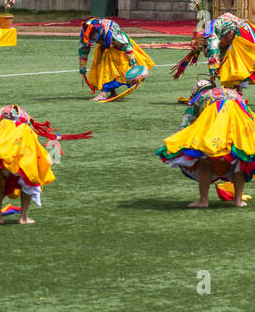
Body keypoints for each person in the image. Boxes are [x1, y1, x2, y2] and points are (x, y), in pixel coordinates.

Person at [158, 78, 255, 209]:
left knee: (205, 156)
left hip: (215, 114)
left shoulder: (198, 99)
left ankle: (203, 200)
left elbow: (185, 126)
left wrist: (179, 143)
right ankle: (237, 200)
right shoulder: (230, 91)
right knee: (238, 157)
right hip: (239, 115)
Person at [171, 12, 255, 89]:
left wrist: (213, 73)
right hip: (247, 31)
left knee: (236, 68)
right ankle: (236, 92)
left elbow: (213, 54)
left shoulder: (210, 35)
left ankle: (233, 92)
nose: (202, 49)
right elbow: (223, 53)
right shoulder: (215, 28)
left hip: (242, 36)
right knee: (233, 67)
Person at [78, 17, 154, 101]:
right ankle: (111, 92)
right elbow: (83, 51)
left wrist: (134, 65)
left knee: (117, 68)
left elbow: (127, 48)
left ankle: (103, 93)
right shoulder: (85, 33)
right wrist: (82, 69)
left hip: (120, 47)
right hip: (105, 47)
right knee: (103, 68)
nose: (96, 41)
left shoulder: (113, 33)